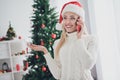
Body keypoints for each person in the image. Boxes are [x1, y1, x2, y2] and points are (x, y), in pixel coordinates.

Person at [27, 1, 98, 80]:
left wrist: (79, 39)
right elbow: (58, 75)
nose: (67, 22)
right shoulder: (58, 43)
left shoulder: (91, 40)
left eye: (72, 18)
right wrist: (45, 51)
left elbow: (88, 64)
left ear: (79, 20)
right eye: (65, 18)